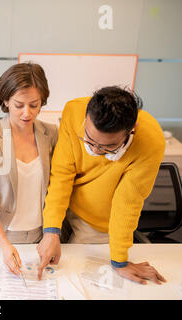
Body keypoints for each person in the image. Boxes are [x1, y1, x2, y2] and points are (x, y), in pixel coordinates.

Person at [37, 86, 167, 285]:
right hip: (67, 201)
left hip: (100, 221)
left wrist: (120, 261)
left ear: (132, 130)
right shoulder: (73, 112)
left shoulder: (150, 141)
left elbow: (127, 203)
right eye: (89, 140)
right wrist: (51, 230)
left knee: (78, 277)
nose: (96, 150)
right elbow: (62, 174)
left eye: (107, 147)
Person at [0, 63, 58, 275]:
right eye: (19, 105)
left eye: (34, 105)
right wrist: (5, 245)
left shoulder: (52, 134)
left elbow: (58, 187)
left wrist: (51, 234)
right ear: (6, 101)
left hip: (39, 237)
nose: (27, 113)